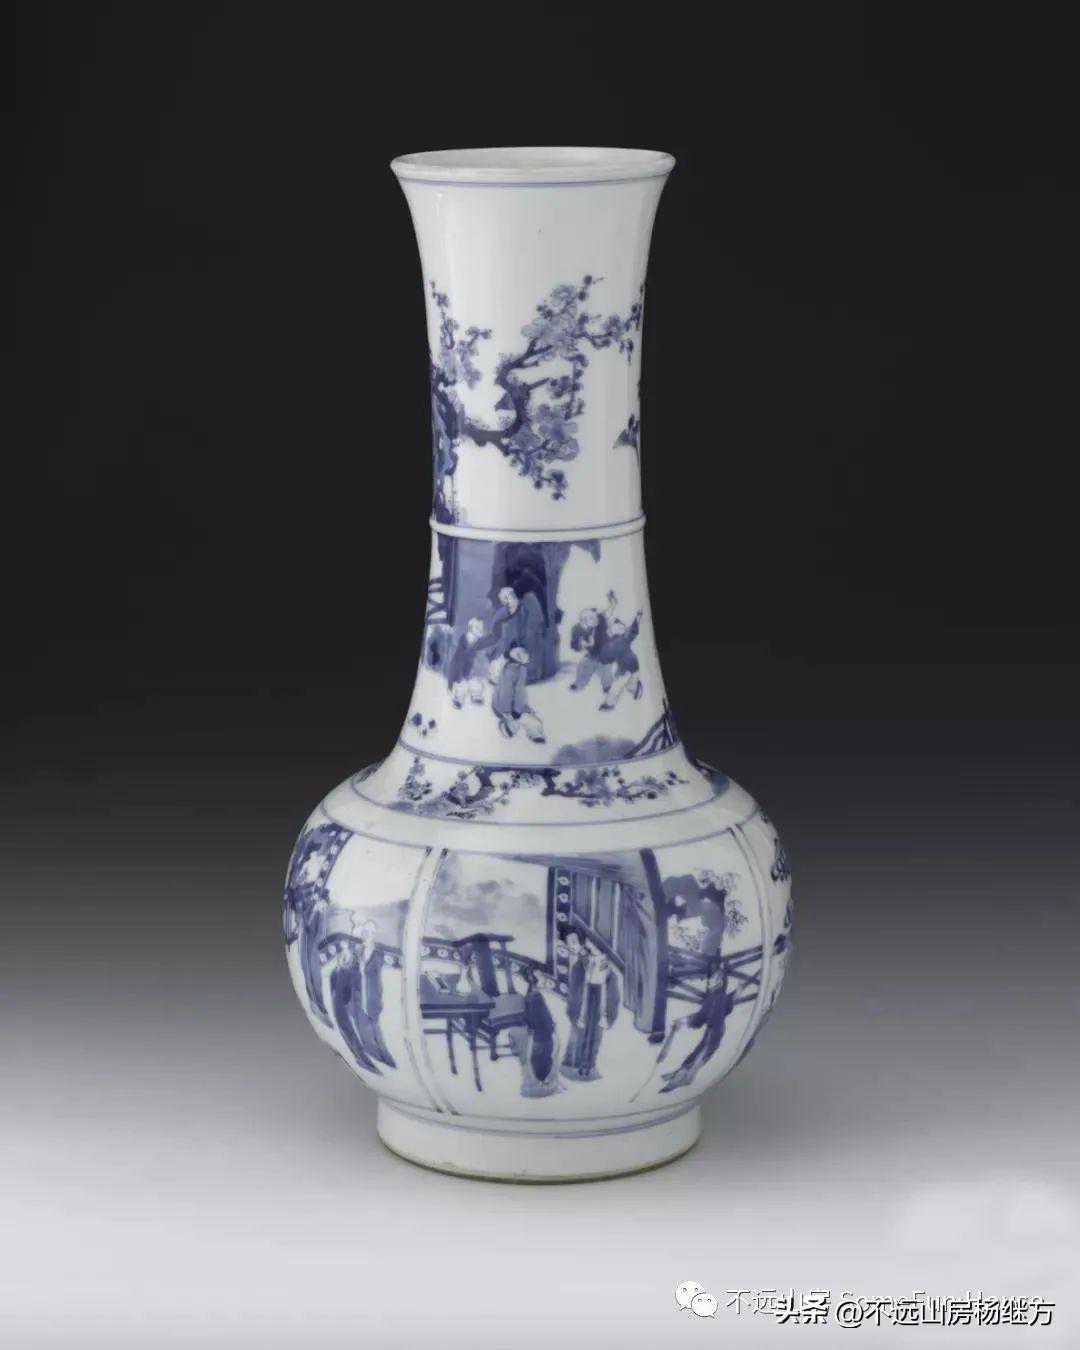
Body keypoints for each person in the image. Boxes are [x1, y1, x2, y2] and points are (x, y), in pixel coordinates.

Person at [658, 963, 735, 1092]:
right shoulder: (715, 997)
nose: (709, 981)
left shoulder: (717, 998)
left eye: (714, 979)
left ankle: (686, 1077)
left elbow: (701, 1018)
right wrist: (684, 1021)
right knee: (698, 1052)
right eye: (711, 978)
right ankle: (681, 1072)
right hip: (713, 1030)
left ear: (720, 982)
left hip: (715, 1032)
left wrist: (684, 1021)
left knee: (702, 1054)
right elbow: (703, 1017)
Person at [561, 940, 620, 1082]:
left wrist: (608, 1014)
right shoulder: (581, 964)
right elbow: (575, 987)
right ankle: (573, 1064)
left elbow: (613, 993)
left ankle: (588, 1065)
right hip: (585, 998)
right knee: (579, 1033)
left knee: (595, 1034)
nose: (588, 945)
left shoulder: (609, 968)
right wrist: (574, 1009)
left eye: (592, 944)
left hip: (600, 1000)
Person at [511, 967, 563, 1097]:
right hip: (543, 1036)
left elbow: (533, 1018)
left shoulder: (532, 996)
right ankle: (543, 1082)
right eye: (540, 978)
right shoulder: (535, 998)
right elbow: (544, 1018)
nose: (544, 980)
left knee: (542, 1057)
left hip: (539, 1036)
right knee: (544, 1057)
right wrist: (552, 1028)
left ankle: (543, 1081)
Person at [487, 584, 546, 676]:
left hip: (525, 648)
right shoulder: (502, 614)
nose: (508, 601)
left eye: (510, 596)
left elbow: (532, 630)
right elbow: (496, 635)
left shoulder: (526, 609)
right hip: (510, 651)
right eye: (504, 600)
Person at [492, 645, 546, 741]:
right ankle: (508, 727)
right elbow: (508, 692)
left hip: (509, 706)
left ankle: (534, 733)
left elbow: (518, 693)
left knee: (528, 718)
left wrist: (523, 707)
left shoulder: (515, 669)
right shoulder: (512, 672)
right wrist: (509, 711)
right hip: (505, 707)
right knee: (521, 720)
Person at [570, 590, 616, 693]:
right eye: (586, 620)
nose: (590, 621)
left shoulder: (602, 622)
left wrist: (612, 601)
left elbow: (609, 610)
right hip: (592, 655)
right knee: (583, 665)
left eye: (592, 618)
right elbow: (580, 644)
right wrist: (583, 645)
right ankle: (579, 683)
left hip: (604, 654)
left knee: (605, 670)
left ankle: (607, 686)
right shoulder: (585, 630)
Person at [597, 609, 644, 709]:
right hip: (622, 667)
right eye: (617, 628)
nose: (620, 629)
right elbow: (605, 656)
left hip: (632, 665)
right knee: (617, 684)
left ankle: (635, 688)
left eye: (621, 627)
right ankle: (609, 703)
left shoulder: (624, 637)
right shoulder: (610, 643)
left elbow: (632, 631)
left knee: (630, 682)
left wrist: (637, 618)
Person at [446, 616, 490, 707]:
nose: (480, 630)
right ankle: (458, 700)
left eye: (481, 628)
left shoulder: (477, 642)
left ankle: (476, 696)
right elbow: (457, 663)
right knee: (462, 685)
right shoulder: (464, 640)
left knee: (477, 684)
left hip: (470, 672)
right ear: (470, 628)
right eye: (477, 627)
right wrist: (453, 681)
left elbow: (484, 645)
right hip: (460, 671)